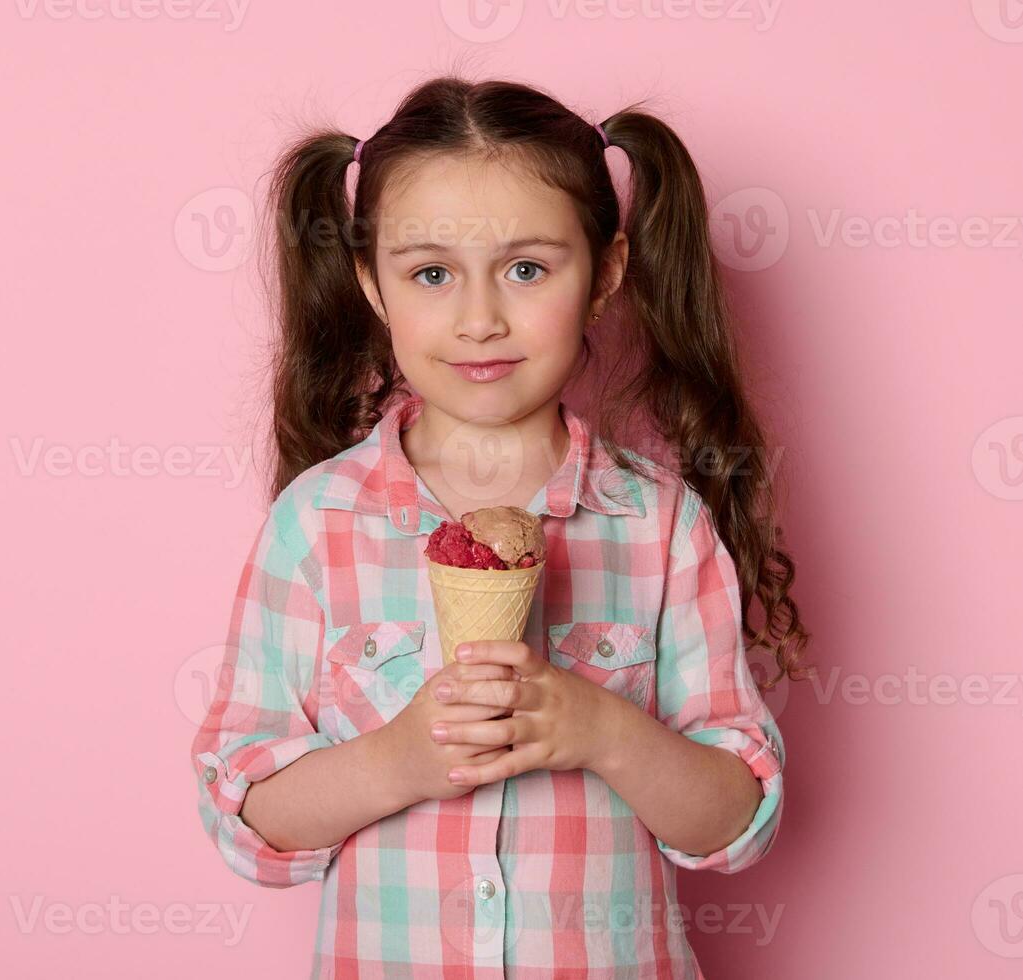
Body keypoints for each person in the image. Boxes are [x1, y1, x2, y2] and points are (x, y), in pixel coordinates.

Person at [189, 74, 811, 977]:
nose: (479, 319)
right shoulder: (315, 523)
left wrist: (601, 730)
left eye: (526, 268)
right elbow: (243, 817)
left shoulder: (658, 527)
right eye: (431, 273)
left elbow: (734, 821)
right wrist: (398, 761)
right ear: (371, 282)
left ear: (605, 273)